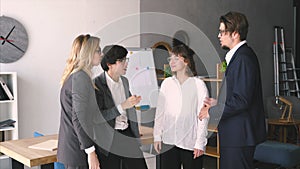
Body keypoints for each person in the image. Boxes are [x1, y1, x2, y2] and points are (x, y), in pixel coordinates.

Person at [199, 11, 267, 169]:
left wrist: (211, 111)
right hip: (236, 133)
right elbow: (240, 94)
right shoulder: (239, 57)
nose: (219, 35)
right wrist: (219, 101)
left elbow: (241, 101)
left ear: (235, 34)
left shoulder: (242, 58)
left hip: (239, 135)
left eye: (222, 31)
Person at [153, 44, 209, 169]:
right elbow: (160, 112)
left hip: (190, 142)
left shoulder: (198, 85)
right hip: (168, 141)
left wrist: (200, 143)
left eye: (176, 58)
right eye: (170, 59)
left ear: (186, 61)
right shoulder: (167, 84)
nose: (171, 62)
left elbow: (203, 116)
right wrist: (157, 136)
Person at [94, 45, 148, 169]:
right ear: (109, 64)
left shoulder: (124, 81)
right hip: (109, 138)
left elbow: (130, 110)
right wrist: (122, 106)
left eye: (126, 60)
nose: (126, 64)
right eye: (122, 61)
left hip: (127, 133)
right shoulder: (97, 84)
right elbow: (99, 116)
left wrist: (135, 131)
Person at [57, 34, 103, 169]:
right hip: (78, 149)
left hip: (74, 147)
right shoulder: (80, 78)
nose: (101, 54)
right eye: (98, 50)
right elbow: (79, 119)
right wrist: (91, 152)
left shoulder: (77, 76)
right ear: (88, 53)